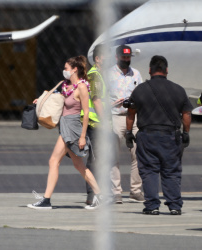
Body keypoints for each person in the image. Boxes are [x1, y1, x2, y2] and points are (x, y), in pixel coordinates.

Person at [27, 55, 102, 210]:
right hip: (64, 127)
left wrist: (82, 136)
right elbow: (59, 99)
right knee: (78, 165)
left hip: (73, 128)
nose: (64, 71)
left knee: (55, 161)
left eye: (66, 68)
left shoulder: (82, 87)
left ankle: (46, 200)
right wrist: (40, 100)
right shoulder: (66, 85)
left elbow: (86, 113)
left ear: (75, 69)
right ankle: (100, 196)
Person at [124, 55, 193, 215]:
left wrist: (128, 133)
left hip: (147, 136)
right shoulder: (178, 89)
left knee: (149, 170)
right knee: (171, 170)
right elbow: (187, 114)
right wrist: (186, 133)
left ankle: (152, 205)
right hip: (171, 136)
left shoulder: (140, 90)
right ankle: (175, 205)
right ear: (166, 70)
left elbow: (130, 113)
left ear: (149, 70)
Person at [106, 45, 144, 204]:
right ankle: (116, 192)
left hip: (133, 117)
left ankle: (135, 191)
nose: (126, 60)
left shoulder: (136, 73)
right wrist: (111, 103)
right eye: (123, 57)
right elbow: (100, 96)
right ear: (117, 57)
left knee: (138, 154)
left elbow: (141, 94)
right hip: (115, 116)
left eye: (128, 57)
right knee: (113, 155)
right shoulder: (108, 74)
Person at [81, 44, 107, 205]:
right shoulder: (95, 75)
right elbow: (96, 100)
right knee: (95, 160)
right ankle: (92, 195)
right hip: (95, 124)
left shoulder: (102, 74)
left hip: (97, 123)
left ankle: (96, 193)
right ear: (97, 59)